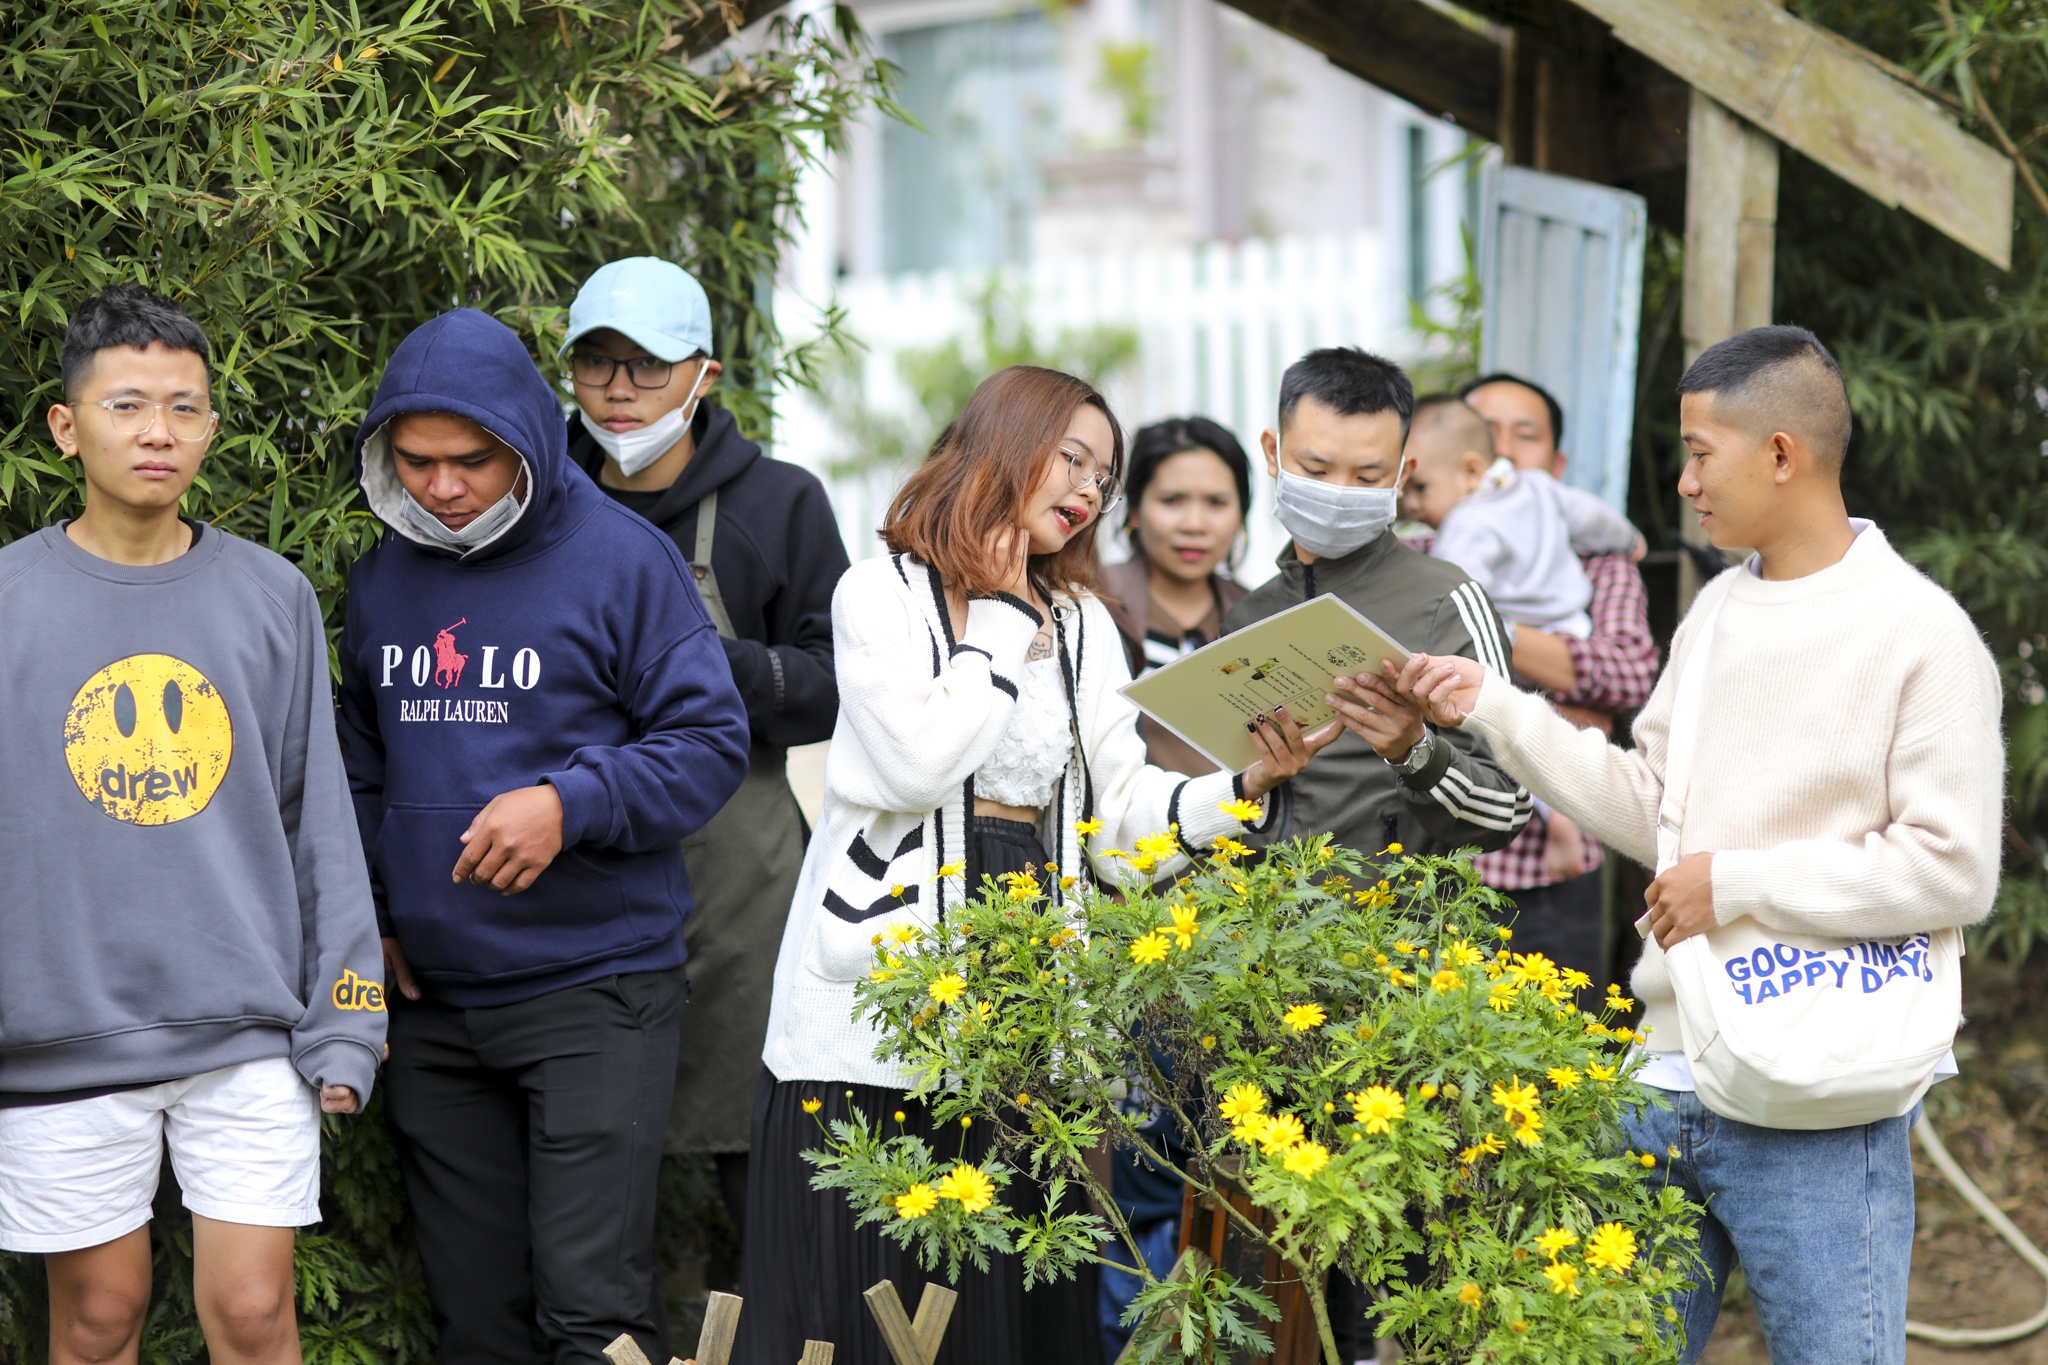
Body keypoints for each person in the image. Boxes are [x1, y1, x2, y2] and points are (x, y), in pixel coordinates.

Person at [1364, 327, 2004, 1365]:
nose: (1682, 481)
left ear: (1782, 454)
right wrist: (1490, 706)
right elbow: (1650, 809)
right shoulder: (1714, 610)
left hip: (1816, 1098)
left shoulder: (1919, 632)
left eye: (1700, 453)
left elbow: (1951, 868)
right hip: (1661, 1082)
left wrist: (1735, 883)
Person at [736, 366, 1339, 1365]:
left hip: (1025, 996)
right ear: (1002, 444)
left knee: (1005, 1302)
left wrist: (1241, 785)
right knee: (863, 1300)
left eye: (1103, 474)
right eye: (1072, 459)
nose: (1089, 489)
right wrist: (1004, 622)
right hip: (879, 1002)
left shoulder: (1086, 626)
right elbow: (912, 766)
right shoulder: (876, 593)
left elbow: (1120, 826)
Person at [337, 308, 750, 1365]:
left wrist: (570, 804)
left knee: (591, 1315)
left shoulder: (622, 561)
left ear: (524, 435)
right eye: (415, 462)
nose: (440, 486)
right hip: (433, 1005)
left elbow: (708, 742)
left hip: (592, 991)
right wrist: (375, 917)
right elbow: (360, 761)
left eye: (470, 460)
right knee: (475, 1323)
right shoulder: (383, 574)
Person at [0, 285, 385, 1365]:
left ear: (214, 424)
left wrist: (346, 1014)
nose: (158, 431)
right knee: (96, 1317)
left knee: (257, 1314)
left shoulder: (271, 598)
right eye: (126, 405)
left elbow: (321, 824)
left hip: (246, 1028)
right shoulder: (9, 603)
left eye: (185, 406)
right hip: (60, 1034)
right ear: (67, 428)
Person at [562, 257, 849, 1241]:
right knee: (593, 1158)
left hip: (738, 871)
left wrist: (705, 666)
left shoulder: (779, 503)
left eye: (647, 366)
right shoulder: (535, 500)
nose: (620, 390)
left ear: (705, 374)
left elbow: (838, 683)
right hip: (575, 861)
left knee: (754, 1157)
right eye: (596, 364)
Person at [1222, 348, 1531, 860]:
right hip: (1260, 929)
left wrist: (1415, 753)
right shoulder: (1246, 617)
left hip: (1391, 931)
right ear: (1273, 452)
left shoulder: (1447, 602)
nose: (1340, 493)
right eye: (1316, 469)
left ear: (1403, 473)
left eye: (1367, 477)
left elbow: (1508, 809)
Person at [1445, 373, 1661, 995]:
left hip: (1558, 867)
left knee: (1560, 1047)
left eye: (1526, 436)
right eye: (1488, 436)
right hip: (1444, 862)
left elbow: (1628, 673)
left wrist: (1483, 630)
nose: (1506, 453)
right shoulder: (1436, 541)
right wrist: (1560, 674)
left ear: (1556, 462)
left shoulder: (1598, 562)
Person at [1402, 394, 1641, 639]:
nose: (1410, 503)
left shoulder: (1465, 524)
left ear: (1471, 471)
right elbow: (1594, 518)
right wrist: (1630, 540)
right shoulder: (1539, 485)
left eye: (1420, 488)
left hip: (1512, 637)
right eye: (1405, 489)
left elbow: (1455, 598)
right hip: (1574, 626)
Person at [1098, 415, 1253, 775]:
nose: (1194, 524)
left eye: (1216, 503)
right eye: (1172, 500)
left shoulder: (1261, 614)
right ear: (1134, 510)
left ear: (1241, 515)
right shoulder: (1093, 601)